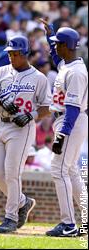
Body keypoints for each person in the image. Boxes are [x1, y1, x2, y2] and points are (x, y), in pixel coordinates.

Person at [0, 35, 52, 233]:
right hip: (2, 125)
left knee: (12, 173)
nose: (12, 57)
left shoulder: (38, 77)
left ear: (25, 54)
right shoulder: (1, 71)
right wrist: (1, 101)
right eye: (10, 53)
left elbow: (47, 107)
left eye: (15, 53)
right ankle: (23, 201)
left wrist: (31, 115)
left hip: (22, 128)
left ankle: (11, 218)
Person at [40, 19, 88, 237]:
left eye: (59, 43)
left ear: (68, 46)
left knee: (58, 170)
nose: (55, 46)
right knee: (70, 171)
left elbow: (73, 108)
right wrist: (50, 33)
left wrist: (62, 134)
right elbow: (56, 56)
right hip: (68, 120)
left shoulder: (77, 72)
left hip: (71, 121)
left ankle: (68, 224)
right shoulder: (67, 64)